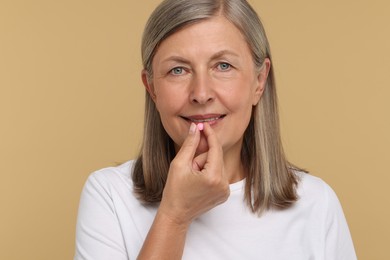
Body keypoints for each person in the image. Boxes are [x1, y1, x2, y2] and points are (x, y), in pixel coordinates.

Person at [74, 0, 357, 259]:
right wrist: (175, 216)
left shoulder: (317, 203)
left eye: (223, 65)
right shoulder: (109, 196)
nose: (201, 93)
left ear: (259, 82)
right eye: (178, 70)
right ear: (151, 88)